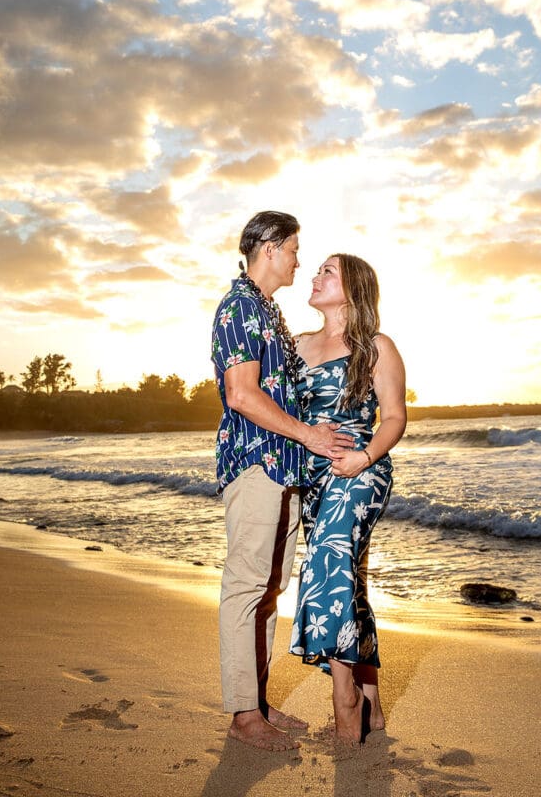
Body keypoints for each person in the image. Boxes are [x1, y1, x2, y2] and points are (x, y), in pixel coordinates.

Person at [211, 212, 354, 752]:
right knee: (245, 587)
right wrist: (309, 436)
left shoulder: (268, 309)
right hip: (255, 464)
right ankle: (243, 714)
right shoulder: (240, 306)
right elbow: (242, 394)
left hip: (284, 467)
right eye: (294, 248)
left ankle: (259, 700)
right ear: (269, 248)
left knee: (269, 592)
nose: (299, 259)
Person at [289, 253, 407, 743]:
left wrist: (364, 458)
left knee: (328, 561)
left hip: (360, 470)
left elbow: (395, 418)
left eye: (327, 272)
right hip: (310, 476)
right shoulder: (294, 345)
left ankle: (346, 698)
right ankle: (373, 704)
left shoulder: (376, 347)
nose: (315, 277)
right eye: (316, 270)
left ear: (353, 288)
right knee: (346, 582)